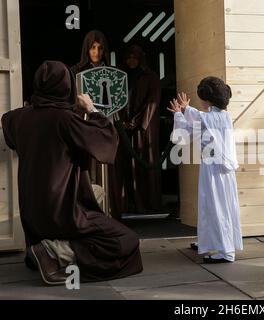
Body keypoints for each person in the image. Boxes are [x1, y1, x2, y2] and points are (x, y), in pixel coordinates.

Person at [1, 61, 143, 285]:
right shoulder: (65, 120)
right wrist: (92, 110)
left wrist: (31, 108)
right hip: (60, 212)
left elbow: (7, 120)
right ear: (67, 86)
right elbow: (106, 142)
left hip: (31, 213)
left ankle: (45, 248)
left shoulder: (18, 119)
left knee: (96, 192)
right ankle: (55, 251)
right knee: (127, 240)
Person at [168, 77, 243, 263]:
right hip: (217, 169)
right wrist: (183, 112)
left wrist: (180, 112)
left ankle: (225, 252)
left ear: (207, 99)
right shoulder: (221, 116)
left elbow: (188, 129)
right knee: (211, 206)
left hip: (216, 169)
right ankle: (210, 242)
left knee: (217, 207)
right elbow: (188, 133)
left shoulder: (212, 118)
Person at [109, 44, 162, 218]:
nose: (131, 60)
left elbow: (152, 101)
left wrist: (137, 122)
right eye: (129, 57)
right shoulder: (121, 76)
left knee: (142, 162)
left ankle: (145, 202)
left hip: (142, 130)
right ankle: (127, 203)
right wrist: (121, 122)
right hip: (124, 128)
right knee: (125, 164)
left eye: (135, 57)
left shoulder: (151, 77)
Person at [70, 30, 110, 205]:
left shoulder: (110, 72)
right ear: (87, 49)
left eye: (100, 48)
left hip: (104, 125)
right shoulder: (75, 71)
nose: (96, 52)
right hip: (83, 126)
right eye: (93, 47)